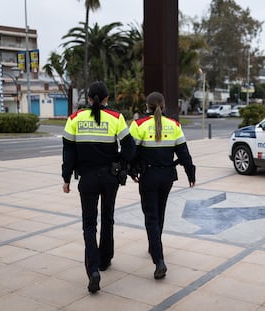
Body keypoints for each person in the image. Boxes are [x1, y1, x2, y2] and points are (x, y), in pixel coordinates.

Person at [61, 81, 136, 293]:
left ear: (88, 99)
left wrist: (66, 177)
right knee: (108, 218)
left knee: (89, 224)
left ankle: (93, 270)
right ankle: (105, 259)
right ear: (106, 99)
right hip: (110, 178)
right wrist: (120, 161)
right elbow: (130, 147)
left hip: (87, 178)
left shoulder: (75, 118)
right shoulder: (116, 117)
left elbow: (68, 152)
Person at [129, 91, 195, 279]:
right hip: (167, 177)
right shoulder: (174, 125)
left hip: (148, 176)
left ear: (147, 106)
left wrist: (132, 172)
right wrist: (191, 173)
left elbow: (130, 153)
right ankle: (154, 246)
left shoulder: (138, 125)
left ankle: (159, 260)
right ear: (164, 106)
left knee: (151, 217)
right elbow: (183, 153)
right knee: (160, 213)